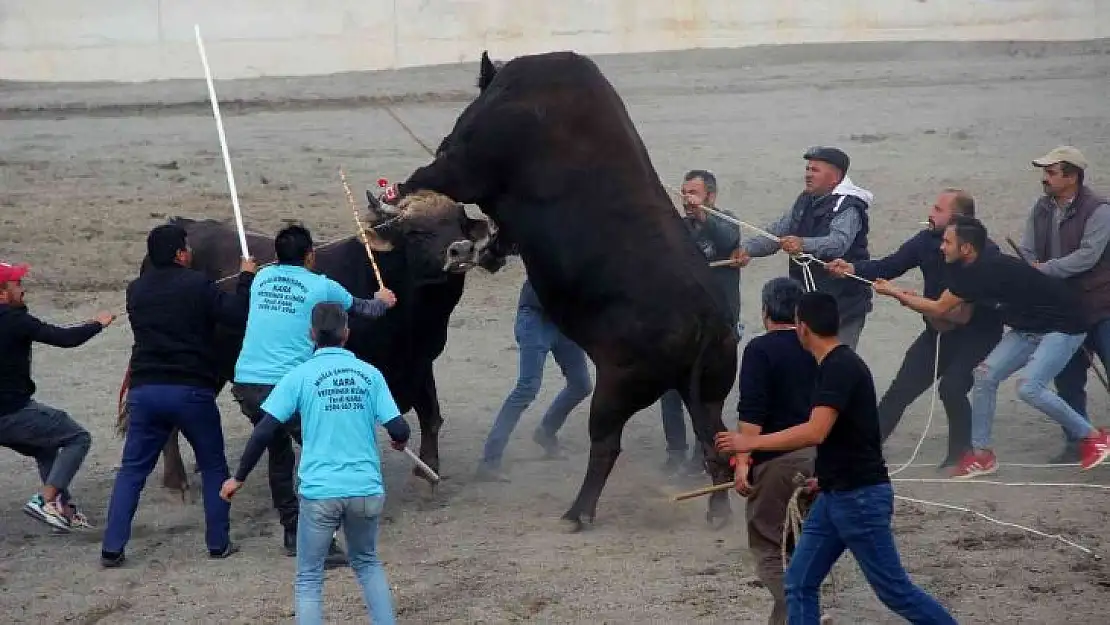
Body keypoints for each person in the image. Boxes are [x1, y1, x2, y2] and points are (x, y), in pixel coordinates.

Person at [717, 291, 958, 625]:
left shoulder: (840, 367)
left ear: (802, 328)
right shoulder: (832, 364)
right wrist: (825, 476)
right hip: (836, 493)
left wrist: (750, 442)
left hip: (859, 497)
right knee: (799, 583)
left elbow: (814, 432)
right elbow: (843, 436)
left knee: (895, 591)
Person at [874, 215, 1110, 477]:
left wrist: (895, 293)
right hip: (1028, 328)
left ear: (966, 248)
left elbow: (939, 307)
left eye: (948, 242)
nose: (942, 247)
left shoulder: (984, 269)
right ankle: (982, 454)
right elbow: (948, 310)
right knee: (984, 375)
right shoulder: (965, 269)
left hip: (1065, 325)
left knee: (1029, 388)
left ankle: (1093, 436)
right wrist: (911, 298)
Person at [221, 302, 409, 625]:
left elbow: (264, 430)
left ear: (311, 334)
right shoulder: (370, 374)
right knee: (367, 563)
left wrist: (238, 477)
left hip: (320, 492)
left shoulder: (299, 376)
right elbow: (399, 428)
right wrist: (400, 439)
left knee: (309, 578)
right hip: (365, 489)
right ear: (346, 334)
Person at [231, 224, 397, 558]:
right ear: (310, 256)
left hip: (247, 382)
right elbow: (365, 310)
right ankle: (324, 534)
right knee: (321, 452)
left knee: (279, 455)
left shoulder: (261, 279)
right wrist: (384, 300)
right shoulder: (321, 285)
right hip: (287, 384)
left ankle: (293, 530)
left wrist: (245, 274)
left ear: (276, 255)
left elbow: (246, 291)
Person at [100, 224, 257, 567]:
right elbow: (237, 316)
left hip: (144, 392)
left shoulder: (135, 291)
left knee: (131, 472)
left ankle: (112, 547)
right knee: (215, 467)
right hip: (190, 391)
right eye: (185, 248)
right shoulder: (198, 284)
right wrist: (246, 278)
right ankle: (218, 543)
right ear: (179, 254)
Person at [827, 189, 1004, 467]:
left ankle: (961, 454)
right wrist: (851, 268)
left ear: (959, 220)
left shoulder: (984, 254)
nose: (930, 214)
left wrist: (905, 298)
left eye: (937, 209)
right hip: (937, 331)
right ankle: (864, 449)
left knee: (953, 387)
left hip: (977, 335)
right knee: (901, 389)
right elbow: (890, 265)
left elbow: (962, 315)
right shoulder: (926, 241)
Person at [716, 277, 817, 625]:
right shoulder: (818, 347)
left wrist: (742, 464)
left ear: (765, 311)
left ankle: (802, 612)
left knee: (769, 547)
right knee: (801, 547)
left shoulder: (760, 350)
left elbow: (752, 412)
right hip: (818, 461)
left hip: (777, 464)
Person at [0, 260, 115, 532]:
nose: (23, 289)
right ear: (2, 294)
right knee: (77, 437)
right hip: (11, 413)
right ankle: (45, 500)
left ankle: (62, 509)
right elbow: (65, 338)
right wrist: (98, 324)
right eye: (17, 284)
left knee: (46, 446)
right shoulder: (15, 320)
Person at [1016, 146, 1110, 463]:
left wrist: (1044, 270)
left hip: (1100, 307)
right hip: (1064, 310)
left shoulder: (1099, 209)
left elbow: (1087, 256)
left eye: (1051, 173)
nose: (1044, 179)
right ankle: (1078, 442)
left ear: (1072, 177)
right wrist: (1031, 268)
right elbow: (1028, 248)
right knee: (1068, 379)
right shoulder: (1041, 207)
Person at [734, 146, 875, 349]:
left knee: (834, 361)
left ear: (834, 177)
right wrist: (747, 249)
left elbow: (838, 244)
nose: (807, 174)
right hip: (808, 301)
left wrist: (803, 244)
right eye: (808, 169)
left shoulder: (848, 207)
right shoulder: (805, 200)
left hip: (843, 305)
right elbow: (777, 232)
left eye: (815, 170)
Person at [659, 169, 745, 476]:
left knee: (708, 395)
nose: (686, 198)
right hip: (683, 326)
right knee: (669, 392)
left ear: (710, 196)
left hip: (719, 328)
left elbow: (728, 238)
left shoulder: (726, 222)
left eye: (693, 193)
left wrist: (703, 215)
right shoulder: (679, 228)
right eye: (684, 192)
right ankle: (674, 452)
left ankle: (701, 454)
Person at [475, 278, 593, 482]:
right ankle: (489, 461)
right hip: (535, 317)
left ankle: (546, 432)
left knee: (581, 384)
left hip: (564, 321)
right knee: (527, 388)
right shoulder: (556, 246)